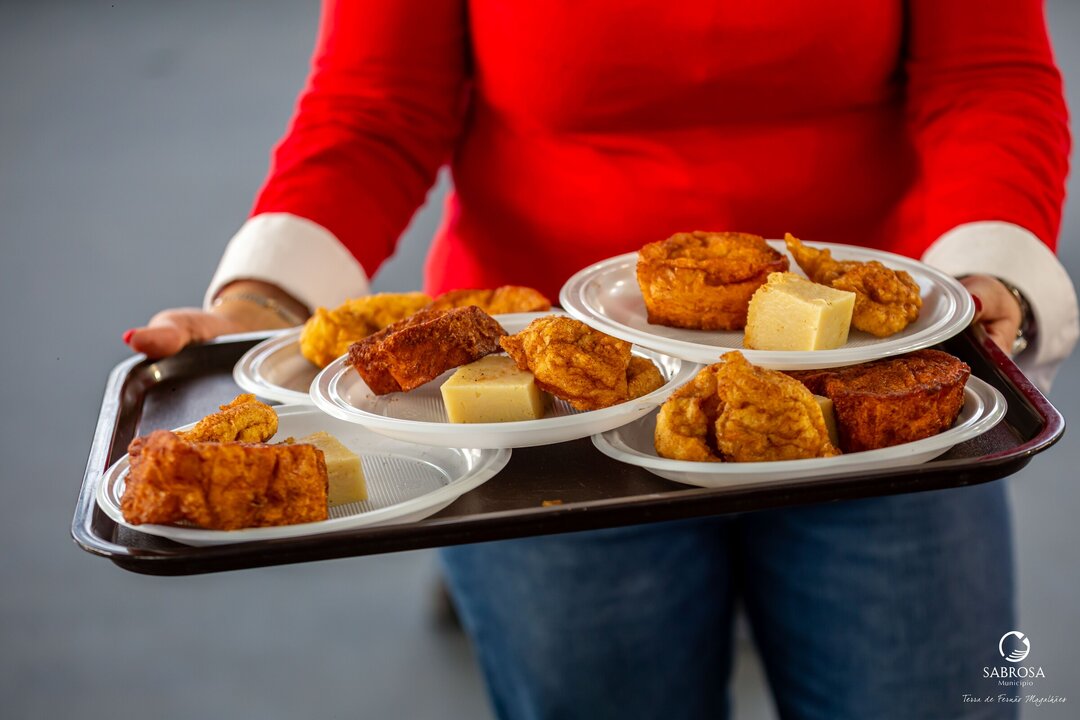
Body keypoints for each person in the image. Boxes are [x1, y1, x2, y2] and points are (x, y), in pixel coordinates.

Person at [126, 2, 1077, 718]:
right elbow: (377, 107)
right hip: (542, 410)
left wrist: (986, 269)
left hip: (878, 380)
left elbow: (987, 75)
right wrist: (261, 303)